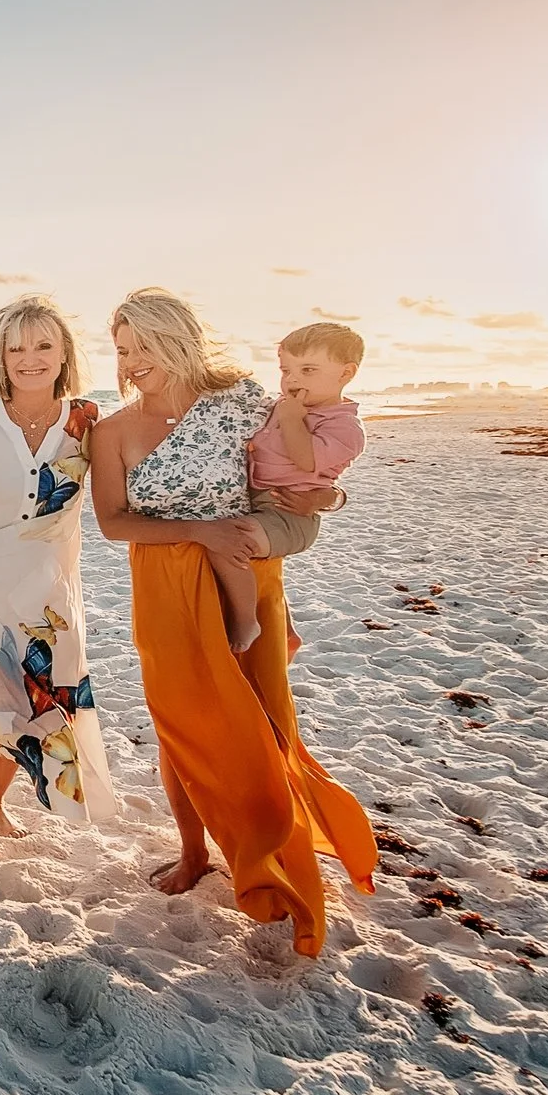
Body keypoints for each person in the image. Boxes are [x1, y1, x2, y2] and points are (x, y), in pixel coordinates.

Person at [87, 287, 375, 957]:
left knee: (261, 722)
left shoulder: (242, 399)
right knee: (183, 728)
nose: (130, 362)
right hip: (164, 585)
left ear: (177, 339)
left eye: (142, 347)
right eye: (122, 350)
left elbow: (306, 466)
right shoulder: (113, 431)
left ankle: (275, 842)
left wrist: (328, 495)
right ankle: (192, 853)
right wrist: (200, 531)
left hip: (246, 582)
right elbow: (111, 521)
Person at [0, 294, 114, 842]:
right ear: (0, 355)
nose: (30, 358)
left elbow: (117, 494)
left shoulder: (86, 421)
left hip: (48, 584)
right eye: (16, 348)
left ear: (63, 354)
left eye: (43, 345)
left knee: (42, 694)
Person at [211, 322, 368, 651]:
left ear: (346, 373)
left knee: (225, 543)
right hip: (255, 504)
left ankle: (246, 620)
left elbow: (305, 460)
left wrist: (292, 418)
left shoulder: (344, 425)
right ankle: (281, 626)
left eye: (308, 370)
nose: (293, 380)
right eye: (286, 370)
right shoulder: (280, 407)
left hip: (290, 515)